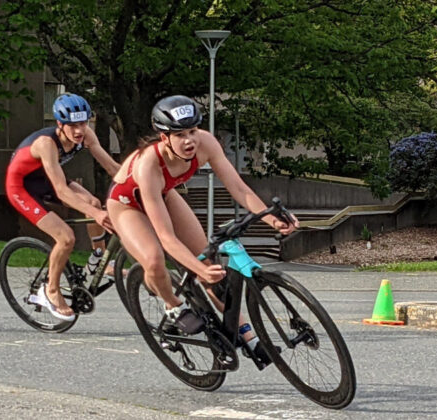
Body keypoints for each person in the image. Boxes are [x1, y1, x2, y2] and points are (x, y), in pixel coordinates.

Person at [106, 95, 299, 364]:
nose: (189, 141)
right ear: (164, 137)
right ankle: (173, 306)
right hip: (127, 205)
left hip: (164, 194)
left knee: (210, 265)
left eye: (193, 131)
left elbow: (238, 187)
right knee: (154, 259)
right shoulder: (148, 164)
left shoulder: (206, 143)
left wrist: (270, 218)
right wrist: (198, 270)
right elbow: (166, 237)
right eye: (180, 135)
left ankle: (249, 338)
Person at [5, 93, 120, 321]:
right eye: (73, 126)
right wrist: (97, 215)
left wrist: (141, 187)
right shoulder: (46, 144)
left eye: (83, 124)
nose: (79, 131)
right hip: (22, 187)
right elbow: (61, 191)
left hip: (47, 179)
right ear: (60, 124)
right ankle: (50, 290)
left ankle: (98, 259)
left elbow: (111, 167)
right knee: (66, 238)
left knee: (93, 202)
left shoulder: (86, 135)